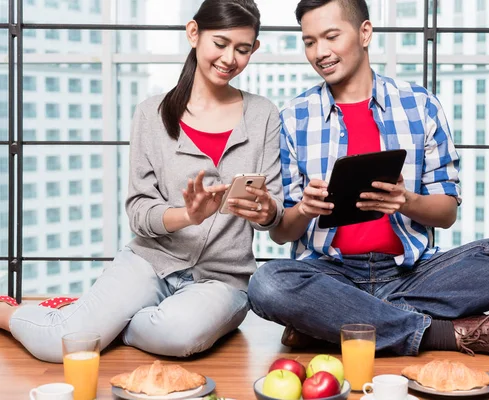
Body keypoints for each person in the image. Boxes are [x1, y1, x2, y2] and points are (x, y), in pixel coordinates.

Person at [248, 0, 489, 358]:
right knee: (267, 284)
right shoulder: (295, 116)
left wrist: (408, 201)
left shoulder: (420, 105)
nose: (320, 52)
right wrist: (306, 210)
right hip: (331, 273)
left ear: (365, 33)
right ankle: (442, 334)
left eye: (330, 36)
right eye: (309, 41)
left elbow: (447, 212)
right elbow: (282, 234)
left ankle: (334, 322)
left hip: (412, 272)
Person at [0, 0, 284, 363]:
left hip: (222, 281)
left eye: (243, 49)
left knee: (179, 336)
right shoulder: (151, 113)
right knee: (63, 344)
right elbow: (139, 213)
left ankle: (103, 322)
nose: (230, 58)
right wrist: (187, 216)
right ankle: (8, 311)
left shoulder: (263, 114)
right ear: (194, 33)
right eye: (221, 43)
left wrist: (265, 210)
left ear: (254, 50)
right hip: (150, 261)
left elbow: (275, 213)